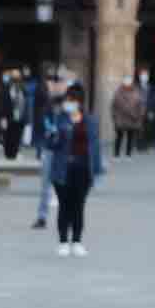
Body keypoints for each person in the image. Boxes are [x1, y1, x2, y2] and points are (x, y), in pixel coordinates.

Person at [44, 81, 98, 254]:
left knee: (79, 205)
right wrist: (53, 135)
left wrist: (96, 169)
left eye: (73, 99)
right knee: (64, 205)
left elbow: (94, 145)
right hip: (63, 168)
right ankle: (62, 241)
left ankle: (77, 240)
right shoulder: (59, 118)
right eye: (68, 99)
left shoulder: (89, 119)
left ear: (80, 101)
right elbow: (51, 144)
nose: (70, 103)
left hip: (82, 168)